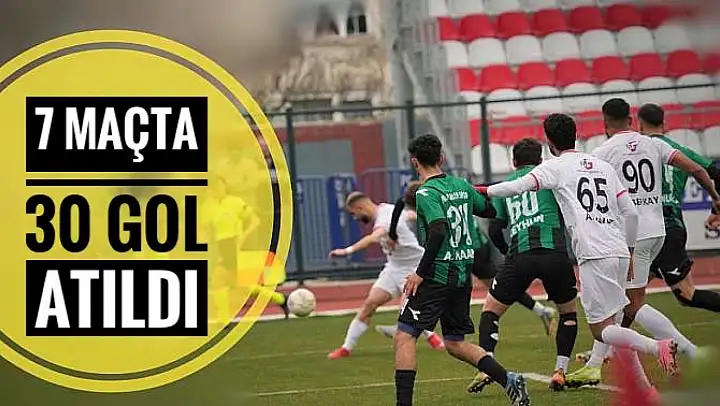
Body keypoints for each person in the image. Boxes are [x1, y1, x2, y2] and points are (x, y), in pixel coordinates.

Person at [479, 114, 680, 401]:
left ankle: (657, 346)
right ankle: (647, 393)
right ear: (576, 135)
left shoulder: (555, 167)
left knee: (602, 331)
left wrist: (482, 190)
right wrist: (630, 250)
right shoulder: (602, 165)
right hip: (619, 249)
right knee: (614, 325)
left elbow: (515, 187)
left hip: (593, 254)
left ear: (549, 143)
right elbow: (631, 213)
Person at [569, 99, 720, 385]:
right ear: (630, 119)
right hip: (658, 232)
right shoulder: (655, 144)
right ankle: (596, 363)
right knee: (623, 302)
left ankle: (686, 351)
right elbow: (698, 170)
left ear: (605, 123)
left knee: (630, 305)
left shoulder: (603, 153)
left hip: (631, 236)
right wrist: (715, 199)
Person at [394, 134, 530, 406]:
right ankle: (509, 380)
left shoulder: (425, 193)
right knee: (454, 343)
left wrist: (420, 273)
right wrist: (467, 195)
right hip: (461, 276)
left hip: (437, 275)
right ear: (442, 158)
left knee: (404, 335)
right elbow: (489, 210)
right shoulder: (461, 185)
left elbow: (438, 231)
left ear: (415, 162)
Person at [469, 138, 579, 392]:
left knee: (490, 311)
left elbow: (495, 229)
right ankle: (560, 371)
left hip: (520, 256)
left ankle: (486, 365)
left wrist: (505, 251)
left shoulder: (507, 186)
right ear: (540, 160)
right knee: (568, 313)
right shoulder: (551, 178)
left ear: (514, 162)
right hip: (554, 255)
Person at [387, 180, 558, 339]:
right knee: (497, 286)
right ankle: (541, 310)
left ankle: (415, 326)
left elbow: (437, 230)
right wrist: (393, 234)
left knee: (490, 288)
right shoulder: (449, 187)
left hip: (470, 250)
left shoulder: (431, 200)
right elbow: (401, 201)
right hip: (473, 246)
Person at [326, 192, 445, 359]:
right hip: (393, 268)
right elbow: (410, 215)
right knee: (369, 304)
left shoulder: (383, 219)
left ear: (359, 207)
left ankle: (433, 339)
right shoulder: (388, 210)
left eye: (354, 214)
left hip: (414, 269)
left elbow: (372, 238)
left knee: (407, 310)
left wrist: (346, 251)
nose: (356, 218)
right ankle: (346, 348)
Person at [201, 176, 290, 321]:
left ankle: (224, 319)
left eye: (219, 185)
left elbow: (255, 220)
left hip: (232, 244)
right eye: (214, 186)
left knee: (218, 281)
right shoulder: (208, 206)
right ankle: (280, 299)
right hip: (220, 246)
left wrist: (243, 235)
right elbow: (207, 228)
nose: (217, 189)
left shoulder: (234, 202)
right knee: (242, 286)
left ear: (225, 186)